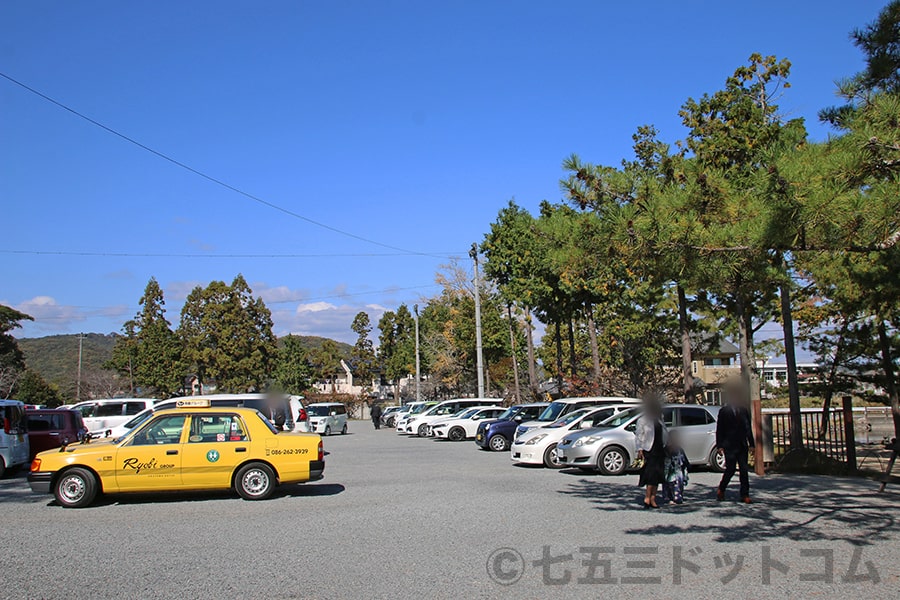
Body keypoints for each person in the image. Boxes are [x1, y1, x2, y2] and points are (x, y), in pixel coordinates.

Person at [716, 381, 755, 503]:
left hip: (742, 444)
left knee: (744, 470)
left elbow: (748, 428)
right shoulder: (724, 411)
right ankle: (722, 489)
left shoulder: (743, 411)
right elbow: (720, 429)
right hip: (729, 445)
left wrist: (752, 444)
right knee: (730, 469)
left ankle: (745, 494)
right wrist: (720, 445)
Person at [634, 397, 668, 509]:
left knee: (658, 475)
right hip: (649, 449)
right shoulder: (643, 420)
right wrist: (639, 449)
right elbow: (639, 435)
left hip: (659, 449)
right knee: (650, 476)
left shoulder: (660, 418)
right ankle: (647, 498)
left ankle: (653, 498)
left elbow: (664, 432)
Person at [663, 431, 689, 505]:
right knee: (668, 484)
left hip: (678, 470)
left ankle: (678, 496)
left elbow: (684, 460)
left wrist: (686, 467)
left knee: (678, 483)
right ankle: (669, 497)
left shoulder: (679, 450)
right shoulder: (665, 449)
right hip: (668, 471)